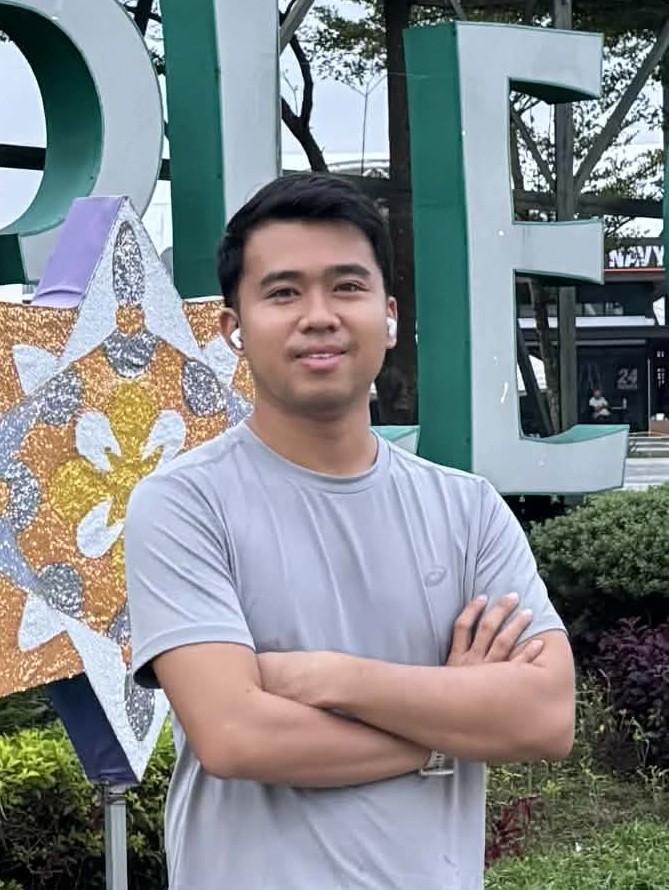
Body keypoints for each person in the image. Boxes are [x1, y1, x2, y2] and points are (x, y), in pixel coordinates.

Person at [125, 173, 575, 890]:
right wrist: (447, 728)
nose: (318, 316)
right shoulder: (183, 506)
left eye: (346, 287)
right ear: (232, 329)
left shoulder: (467, 510)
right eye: (282, 292)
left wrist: (326, 677)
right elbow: (236, 736)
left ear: (389, 316)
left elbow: (543, 716)